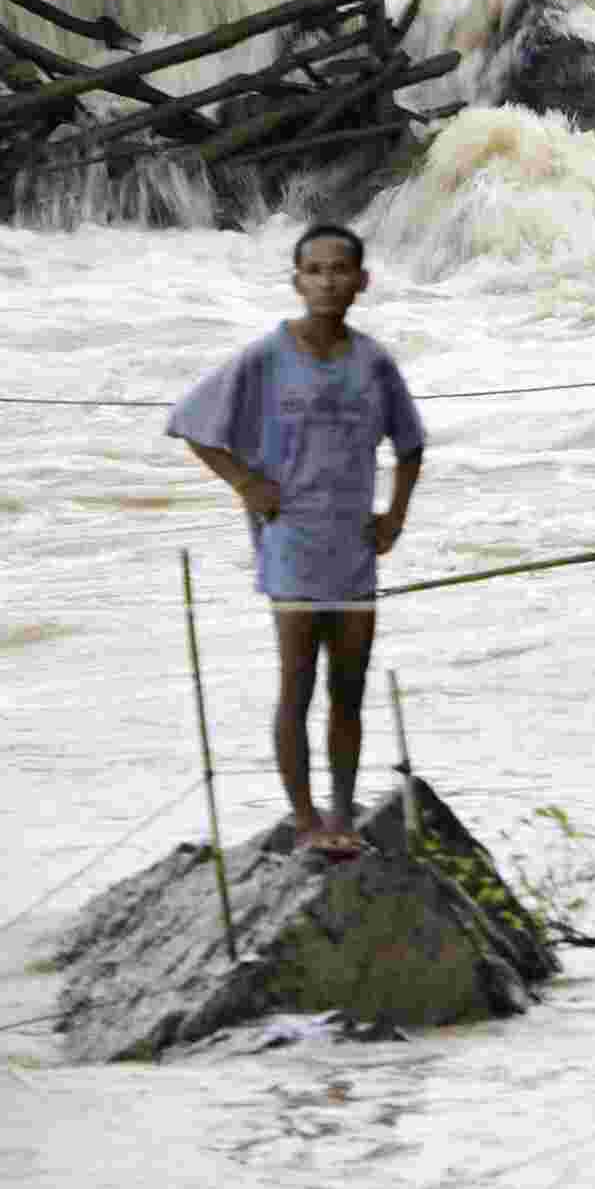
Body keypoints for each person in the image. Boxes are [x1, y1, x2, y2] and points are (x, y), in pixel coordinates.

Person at [167, 222, 425, 859]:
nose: (328, 280)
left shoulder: (374, 362)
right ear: (296, 281)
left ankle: (342, 814)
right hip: (292, 545)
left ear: (362, 282)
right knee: (297, 682)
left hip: (353, 550)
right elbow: (192, 423)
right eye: (315, 270)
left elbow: (411, 444)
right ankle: (306, 818)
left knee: (350, 688)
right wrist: (247, 482)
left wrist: (393, 517)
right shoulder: (265, 356)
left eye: (341, 270)